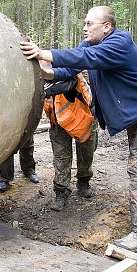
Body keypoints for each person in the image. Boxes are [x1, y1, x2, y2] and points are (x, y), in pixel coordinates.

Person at [20, 6, 137, 252]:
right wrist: (47, 71)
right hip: (136, 114)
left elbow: (85, 59)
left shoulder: (119, 42)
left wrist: (44, 52)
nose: (85, 27)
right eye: (85, 23)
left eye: (90, 23)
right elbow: (71, 68)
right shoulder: (92, 44)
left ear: (107, 27)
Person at [42, 71, 98, 211]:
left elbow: (71, 86)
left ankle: (83, 181)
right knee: (61, 156)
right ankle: (61, 191)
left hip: (83, 117)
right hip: (59, 120)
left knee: (86, 152)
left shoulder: (72, 73)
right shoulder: (43, 76)